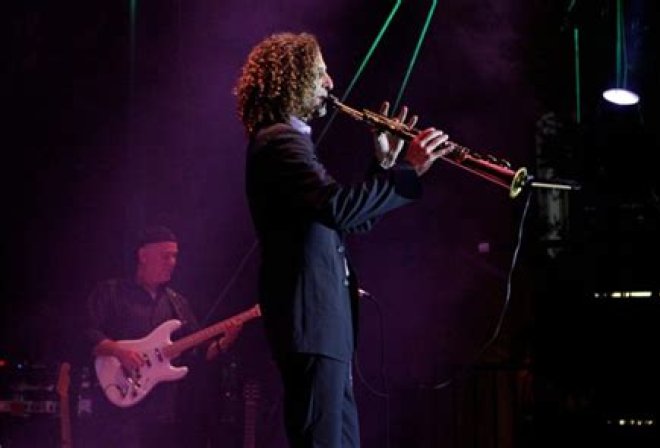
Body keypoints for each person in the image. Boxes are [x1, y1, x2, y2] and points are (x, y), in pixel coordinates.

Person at [235, 32, 453, 447]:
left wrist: (384, 165)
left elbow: (347, 222)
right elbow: (339, 208)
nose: (331, 83)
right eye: (320, 73)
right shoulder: (279, 141)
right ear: (295, 79)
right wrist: (408, 171)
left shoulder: (289, 140)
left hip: (326, 327)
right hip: (311, 324)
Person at [83, 225, 242, 448]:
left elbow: (197, 352)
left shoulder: (177, 303)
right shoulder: (111, 292)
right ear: (143, 256)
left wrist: (225, 342)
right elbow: (87, 332)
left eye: (175, 256)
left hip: (162, 413)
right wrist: (119, 351)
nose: (172, 262)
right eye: (165, 256)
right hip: (117, 410)